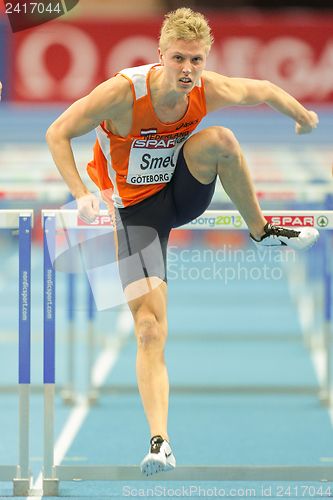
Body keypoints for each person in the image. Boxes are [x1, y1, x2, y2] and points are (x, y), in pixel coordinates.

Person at [46, 7, 319, 476]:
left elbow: (265, 90)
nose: (188, 70)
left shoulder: (207, 87)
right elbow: (58, 132)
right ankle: (161, 442)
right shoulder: (122, 93)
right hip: (136, 215)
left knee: (221, 140)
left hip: (182, 189)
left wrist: (303, 116)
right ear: (160, 55)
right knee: (150, 329)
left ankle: (262, 232)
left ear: (205, 57)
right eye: (179, 59)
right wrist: (81, 193)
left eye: (196, 60)